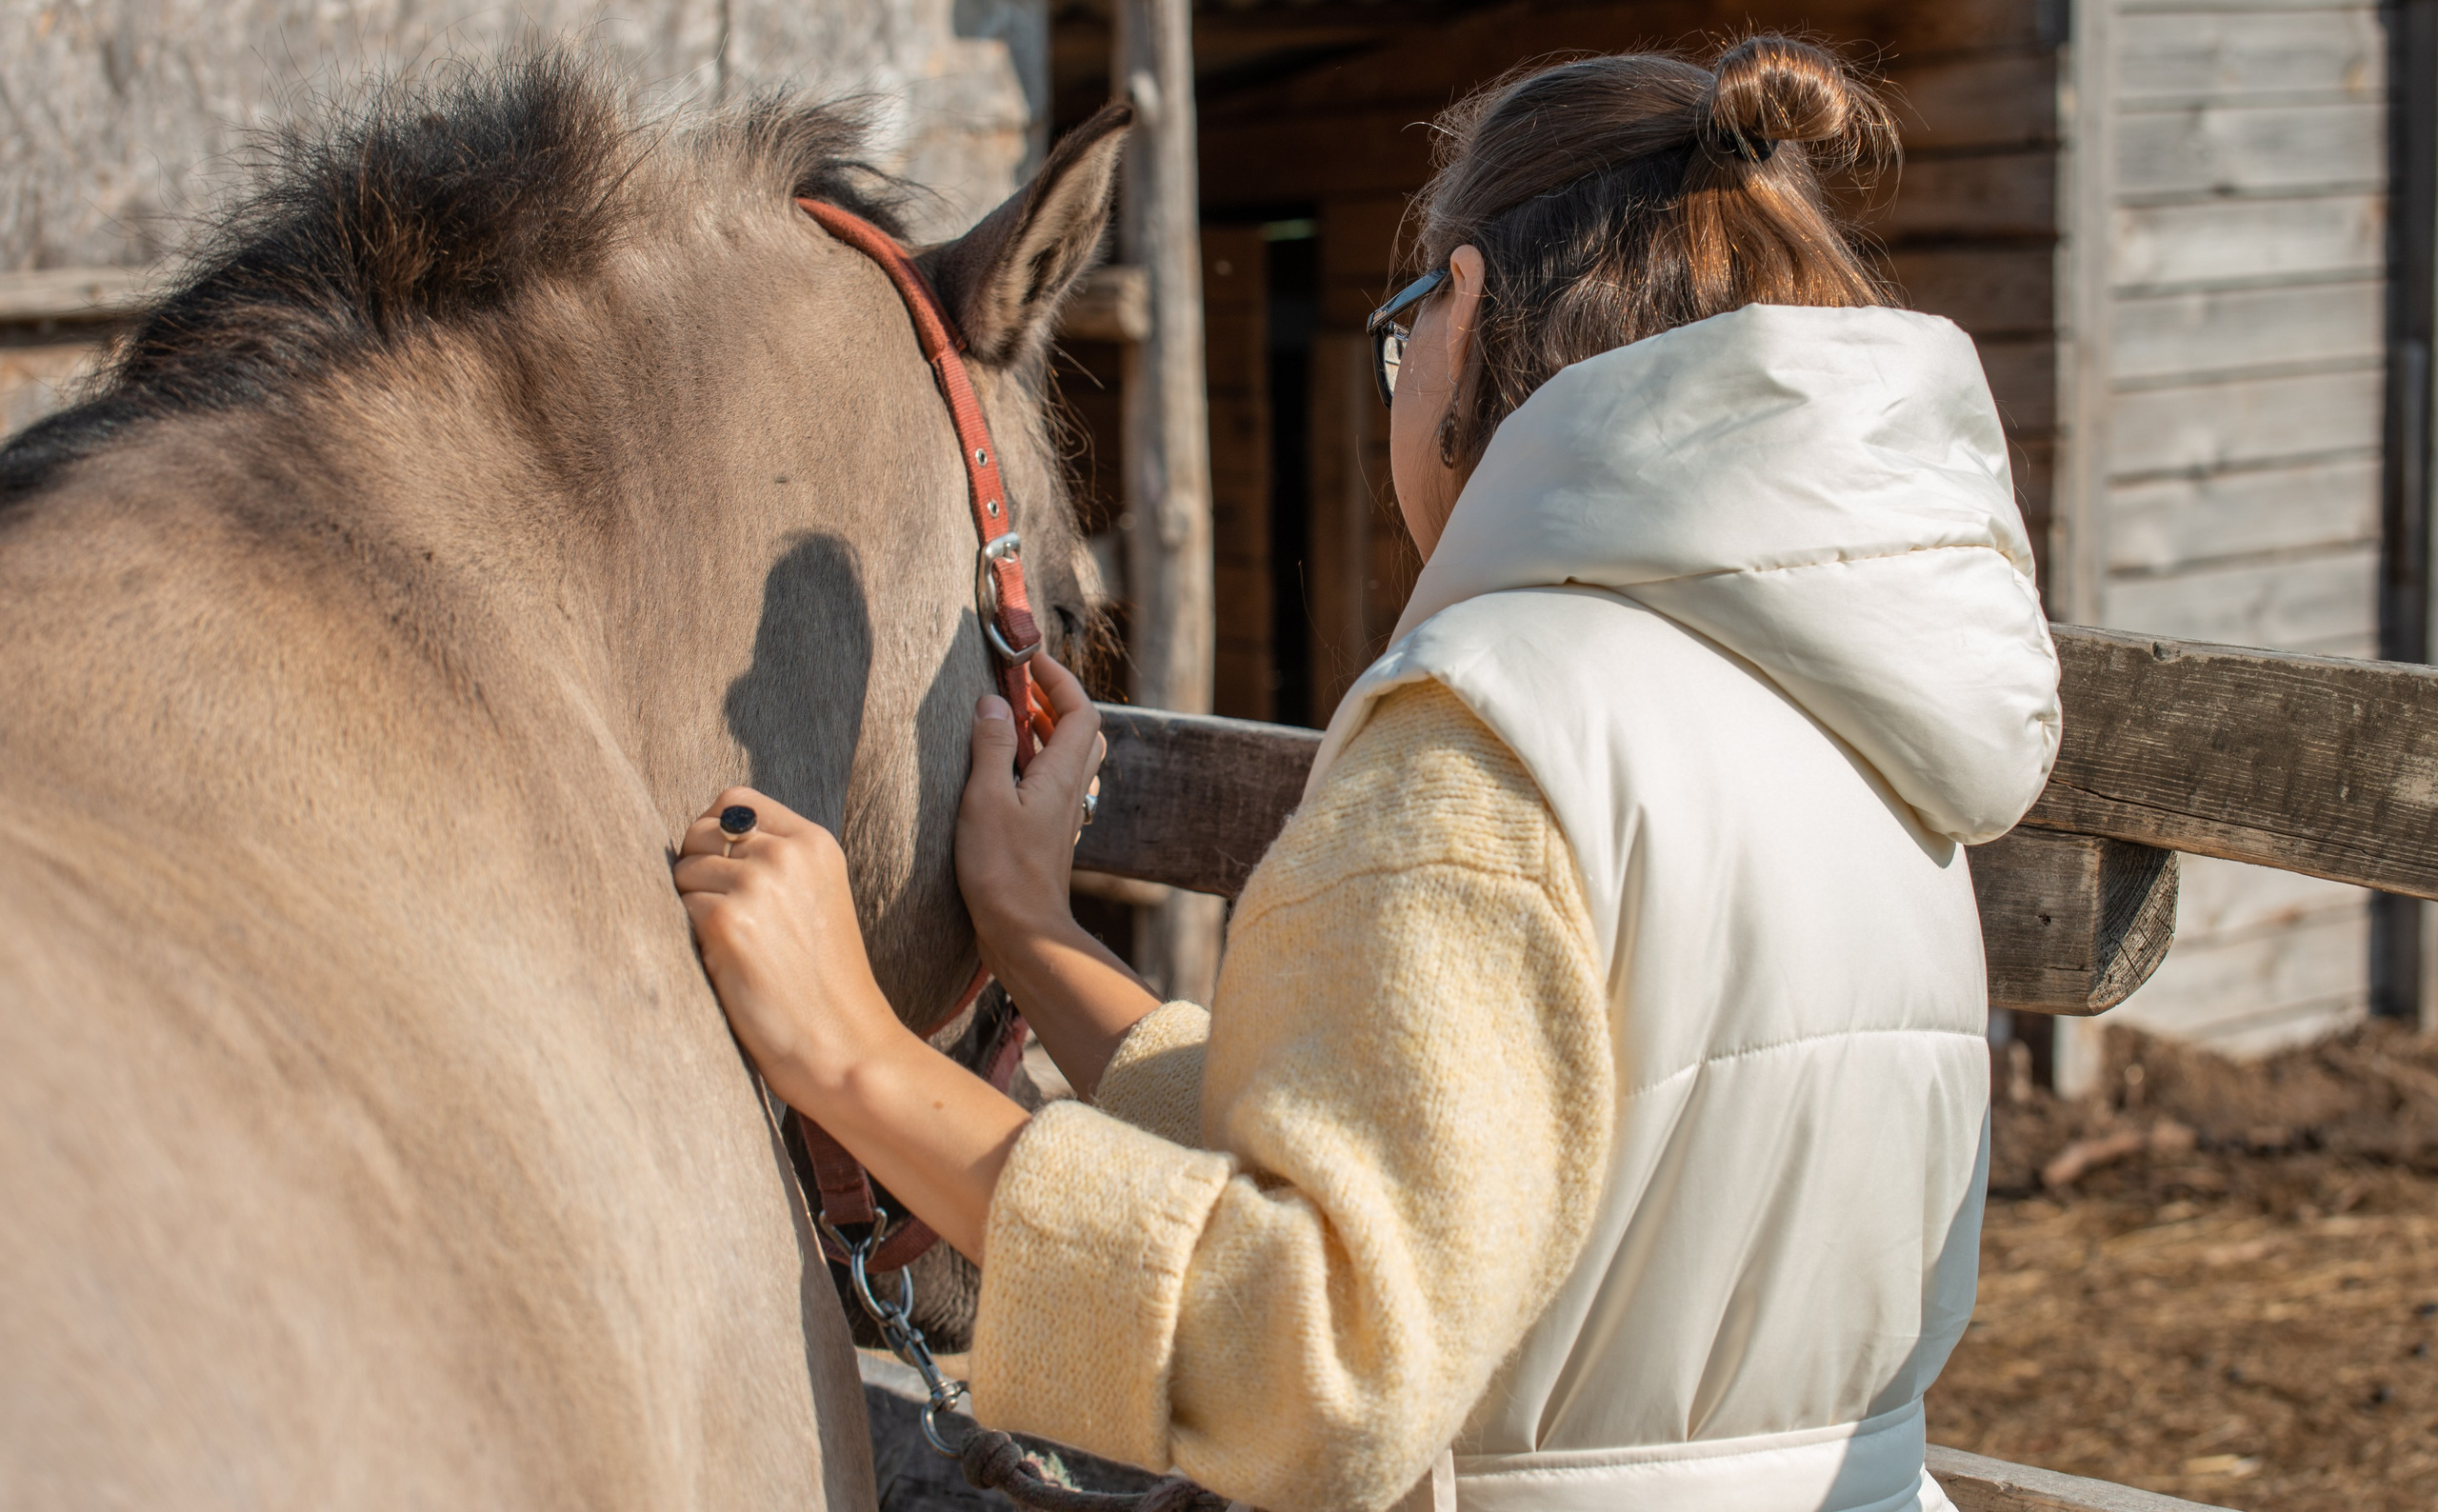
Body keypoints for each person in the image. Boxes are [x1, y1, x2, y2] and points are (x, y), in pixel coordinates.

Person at [674, 34, 2061, 1512]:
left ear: (1462, 307)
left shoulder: (1498, 725)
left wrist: (847, 1049)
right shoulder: (1857, 721)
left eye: (1400, 334)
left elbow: (1315, 1365)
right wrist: (1038, 935)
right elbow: (1457, 1174)